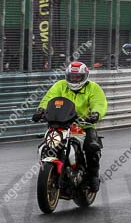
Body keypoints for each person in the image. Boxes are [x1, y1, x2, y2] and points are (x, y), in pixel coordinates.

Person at [32, 61, 108, 192]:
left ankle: (93, 176)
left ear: (84, 77)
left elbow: (99, 103)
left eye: (78, 77)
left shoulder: (93, 88)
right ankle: (51, 170)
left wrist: (95, 114)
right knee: (47, 144)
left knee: (92, 147)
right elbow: (48, 98)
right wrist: (41, 110)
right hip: (60, 124)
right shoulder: (60, 85)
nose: (74, 79)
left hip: (83, 125)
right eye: (72, 77)